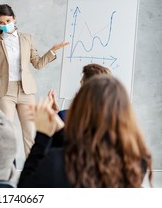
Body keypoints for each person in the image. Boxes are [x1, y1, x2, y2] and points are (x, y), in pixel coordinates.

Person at [0, 4, 69, 156]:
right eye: (1, 23)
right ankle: (6, 172)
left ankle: (32, 173)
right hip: (5, 91)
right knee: (6, 133)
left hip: (26, 91)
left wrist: (52, 51)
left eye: (8, 21)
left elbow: (37, 63)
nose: (5, 25)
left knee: (30, 133)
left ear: (14, 18)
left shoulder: (27, 38)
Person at [18, 75, 153, 188]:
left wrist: (43, 135)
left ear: (80, 111)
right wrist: (61, 131)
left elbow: (25, 193)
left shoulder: (58, 163)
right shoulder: (136, 160)